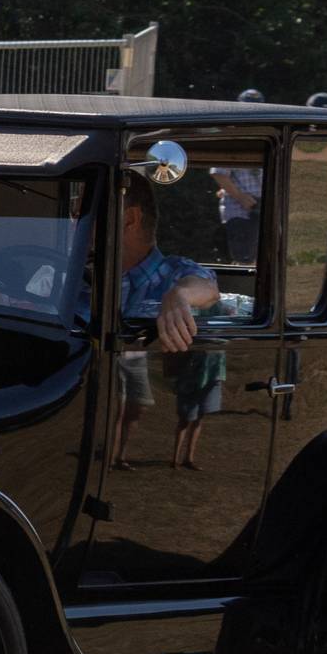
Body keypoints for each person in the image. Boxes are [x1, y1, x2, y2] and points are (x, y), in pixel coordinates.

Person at [110, 173, 217, 470]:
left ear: (130, 218)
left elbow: (206, 288)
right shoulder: (83, 275)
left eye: (88, 214)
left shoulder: (174, 272)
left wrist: (179, 295)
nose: (75, 223)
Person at [211, 89, 264, 263]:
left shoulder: (266, 139)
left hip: (263, 209)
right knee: (244, 259)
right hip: (239, 210)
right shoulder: (231, 139)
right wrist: (240, 197)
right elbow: (219, 174)